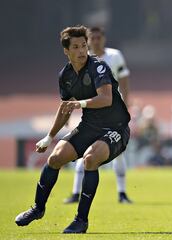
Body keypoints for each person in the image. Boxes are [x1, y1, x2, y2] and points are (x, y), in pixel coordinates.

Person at [15, 25, 131, 234]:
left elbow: (106, 98)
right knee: (55, 158)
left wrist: (81, 104)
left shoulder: (98, 67)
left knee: (90, 159)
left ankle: (81, 220)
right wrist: (49, 137)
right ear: (66, 51)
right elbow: (65, 107)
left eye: (84, 46)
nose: (81, 51)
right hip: (89, 126)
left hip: (116, 128)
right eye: (76, 47)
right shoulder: (65, 75)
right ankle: (38, 209)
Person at [64, 26, 132, 204]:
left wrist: (126, 104)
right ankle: (75, 192)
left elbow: (124, 80)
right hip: (91, 111)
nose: (95, 41)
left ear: (103, 38)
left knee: (118, 153)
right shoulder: (83, 59)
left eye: (98, 37)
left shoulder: (114, 56)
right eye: (92, 38)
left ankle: (122, 193)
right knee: (84, 150)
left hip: (113, 110)